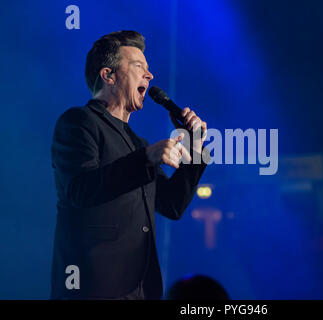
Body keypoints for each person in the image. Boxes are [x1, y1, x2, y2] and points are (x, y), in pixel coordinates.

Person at [50, 30, 210, 299]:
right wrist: (147, 158)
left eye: (148, 70)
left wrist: (195, 149)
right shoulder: (78, 122)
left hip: (140, 291)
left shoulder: (137, 143)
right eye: (139, 67)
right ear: (108, 75)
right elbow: (79, 190)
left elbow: (171, 205)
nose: (150, 76)